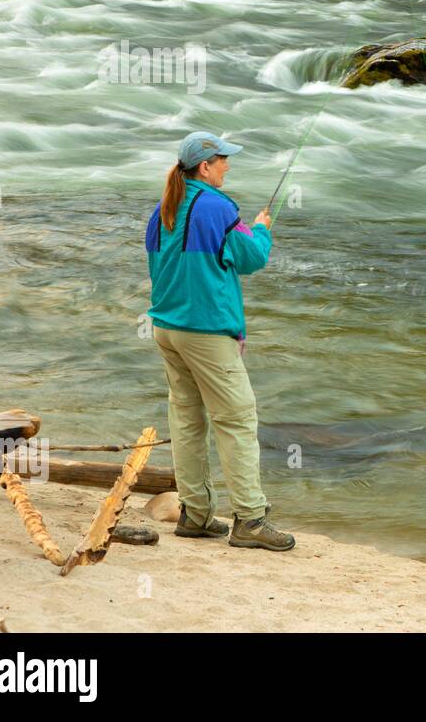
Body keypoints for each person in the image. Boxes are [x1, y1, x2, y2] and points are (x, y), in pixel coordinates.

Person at [145, 132, 295, 551]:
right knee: (237, 421)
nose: (228, 165)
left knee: (188, 421)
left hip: (166, 328)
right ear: (205, 167)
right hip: (205, 333)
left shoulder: (162, 210)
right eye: (223, 160)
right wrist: (262, 230)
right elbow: (251, 259)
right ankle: (249, 520)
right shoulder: (219, 207)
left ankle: (195, 514)